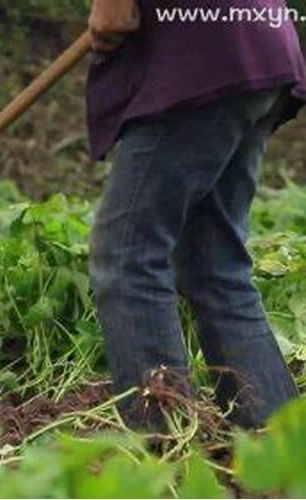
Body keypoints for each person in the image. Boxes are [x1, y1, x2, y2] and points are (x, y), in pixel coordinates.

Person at [86, 0, 306, 429]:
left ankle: (165, 450)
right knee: (215, 265)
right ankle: (280, 447)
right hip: (256, 40)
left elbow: (116, 16)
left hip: (204, 56)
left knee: (127, 254)